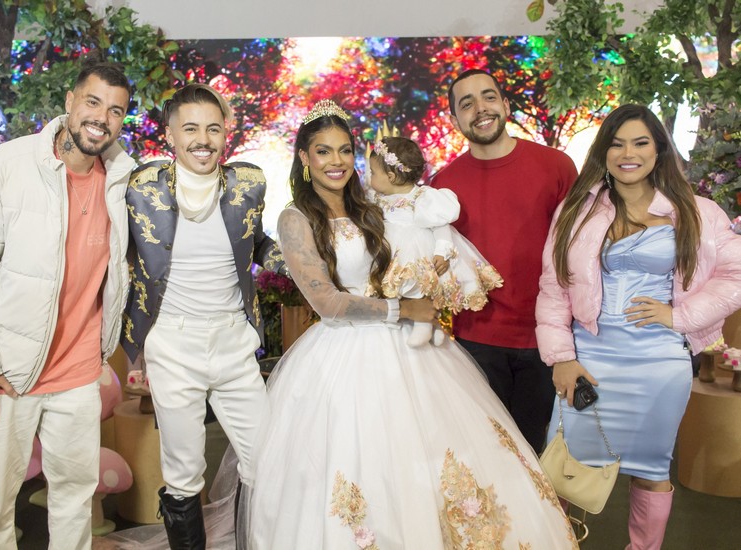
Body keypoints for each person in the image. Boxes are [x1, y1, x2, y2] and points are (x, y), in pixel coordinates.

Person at [241, 99, 578, 548]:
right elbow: (326, 303)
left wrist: (434, 275)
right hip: (345, 354)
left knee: (439, 455)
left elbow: (419, 240)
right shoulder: (296, 218)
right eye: (323, 151)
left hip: (412, 349)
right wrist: (404, 310)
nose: (336, 161)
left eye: (345, 150)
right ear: (304, 157)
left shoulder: (371, 206)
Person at [0, 59, 136, 549]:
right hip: (7, 375)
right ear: (69, 101)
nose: (101, 118)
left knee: (75, 499)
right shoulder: (2, 167)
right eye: (92, 102)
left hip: (80, 375)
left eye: (115, 111)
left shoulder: (122, 180)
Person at [536, 104, 741, 549]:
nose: (628, 153)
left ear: (659, 150)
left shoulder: (697, 211)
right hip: (589, 358)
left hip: (658, 363)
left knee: (651, 470)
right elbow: (553, 289)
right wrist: (561, 358)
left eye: (640, 143)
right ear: (603, 152)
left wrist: (680, 316)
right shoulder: (576, 211)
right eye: (617, 144)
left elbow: (736, 274)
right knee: (562, 464)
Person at [121, 82, 284, 549]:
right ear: (169, 134)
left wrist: (305, 262)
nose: (203, 139)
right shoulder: (141, 187)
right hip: (172, 344)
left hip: (234, 343)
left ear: (226, 133)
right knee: (184, 472)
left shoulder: (248, 184)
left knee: (267, 459)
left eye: (213, 128)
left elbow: (257, 243)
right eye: (190, 128)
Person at [432, 68, 578, 452]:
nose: (480, 108)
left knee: (537, 452)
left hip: (546, 338)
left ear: (506, 105)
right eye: (467, 103)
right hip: (476, 340)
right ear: (454, 120)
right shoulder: (443, 187)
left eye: (489, 97)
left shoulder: (557, 167)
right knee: (486, 454)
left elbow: (578, 250)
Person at [366, 136, 503, 347]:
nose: (370, 177)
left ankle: (426, 324)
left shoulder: (423, 197)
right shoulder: (376, 197)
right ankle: (426, 323)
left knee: (421, 285)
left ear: (391, 176)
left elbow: (440, 225)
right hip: (390, 247)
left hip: (417, 247)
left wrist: (442, 251)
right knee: (396, 284)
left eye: (373, 172)